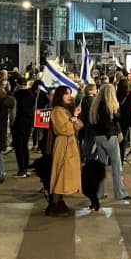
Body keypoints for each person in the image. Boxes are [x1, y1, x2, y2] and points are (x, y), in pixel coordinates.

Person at [90, 83, 131, 200]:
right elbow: (117, 119)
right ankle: (120, 193)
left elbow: (94, 122)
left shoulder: (96, 105)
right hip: (110, 137)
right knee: (116, 166)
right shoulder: (109, 106)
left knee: (101, 167)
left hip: (99, 137)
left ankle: (99, 192)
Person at [46, 85, 83, 216]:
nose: (69, 96)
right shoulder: (57, 110)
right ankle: (54, 203)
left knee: (66, 173)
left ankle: (59, 200)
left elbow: (78, 126)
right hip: (63, 144)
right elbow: (65, 129)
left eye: (70, 93)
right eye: (66, 94)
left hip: (70, 145)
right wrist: (73, 118)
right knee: (60, 172)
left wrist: (75, 117)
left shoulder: (65, 110)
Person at [12, 79, 38, 177]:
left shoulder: (16, 95)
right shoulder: (32, 95)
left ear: (18, 85)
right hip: (28, 123)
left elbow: (14, 112)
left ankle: (22, 169)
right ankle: (26, 167)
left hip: (18, 123)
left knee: (19, 147)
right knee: (24, 146)